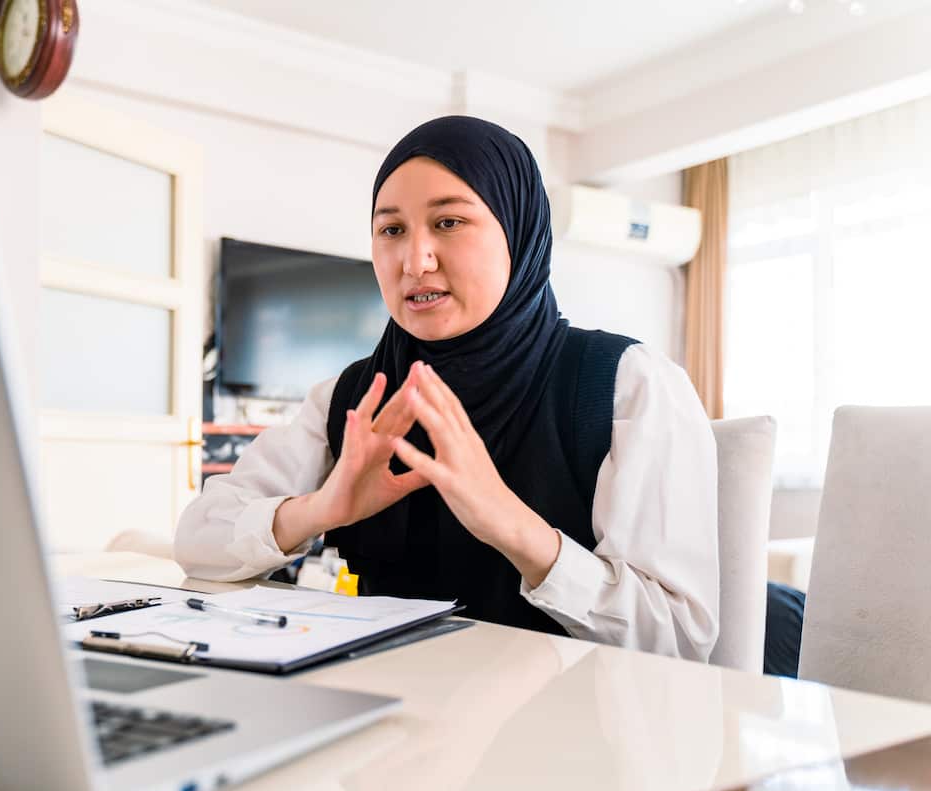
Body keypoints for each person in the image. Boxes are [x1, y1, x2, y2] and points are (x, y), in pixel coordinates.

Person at [175, 116, 720, 662]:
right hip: (383, 716)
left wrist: (513, 526)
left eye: (450, 222)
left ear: (518, 230)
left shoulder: (628, 386)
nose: (415, 261)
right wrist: (320, 509)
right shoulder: (352, 397)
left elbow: (679, 638)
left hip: (569, 728)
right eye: (391, 230)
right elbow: (197, 541)